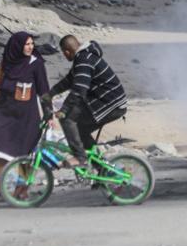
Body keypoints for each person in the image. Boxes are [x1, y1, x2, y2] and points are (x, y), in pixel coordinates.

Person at [0, 32, 50, 197]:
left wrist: (49, 114)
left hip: (27, 116)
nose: (30, 47)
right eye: (26, 44)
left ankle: (22, 190)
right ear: (17, 46)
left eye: (32, 44)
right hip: (3, 113)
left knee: (26, 152)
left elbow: (44, 90)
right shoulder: (7, 63)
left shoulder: (36, 63)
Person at [45, 35, 128, 164]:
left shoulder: (83, 60)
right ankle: (102, 170)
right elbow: (70, 80)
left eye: (64, 53)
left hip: (111, 103)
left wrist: (64, 109)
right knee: (80, 131)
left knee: (67, 119)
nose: (65, 56)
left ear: (67, 51)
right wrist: (50, 93)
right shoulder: (84, 56)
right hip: (107, 101)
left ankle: (80, 157)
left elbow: (79, 90)